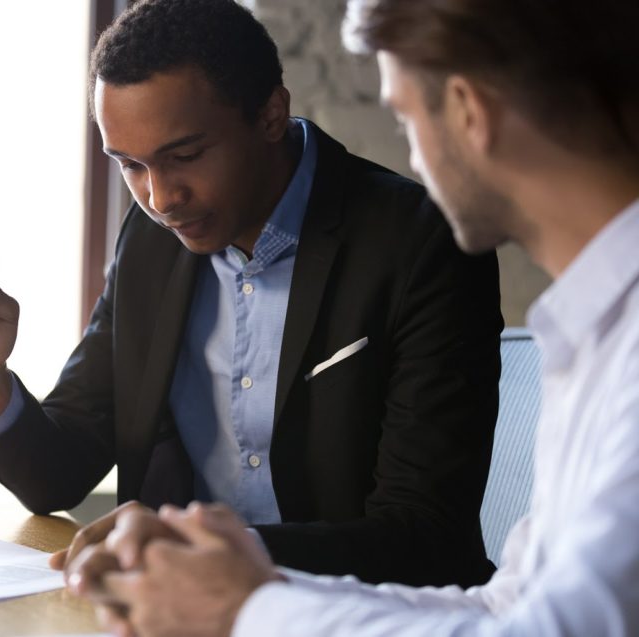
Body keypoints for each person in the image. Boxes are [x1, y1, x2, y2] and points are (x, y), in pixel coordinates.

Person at [66, 0, 639, 635]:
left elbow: (558, 628)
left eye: (402, 115)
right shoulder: (593, 332)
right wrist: (231, 579)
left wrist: (245, 607)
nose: (413, 159)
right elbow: (512, 607)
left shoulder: (623, 347)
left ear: (470, 112)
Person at [0, 0, 502, 587]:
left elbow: (425, 534)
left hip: (361, 616)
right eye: (129, 165)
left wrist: (206, 549)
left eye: (185, 156)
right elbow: (61, 476)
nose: (160, 197)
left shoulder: (421, 242)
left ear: (272, 114)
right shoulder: (151, 241)